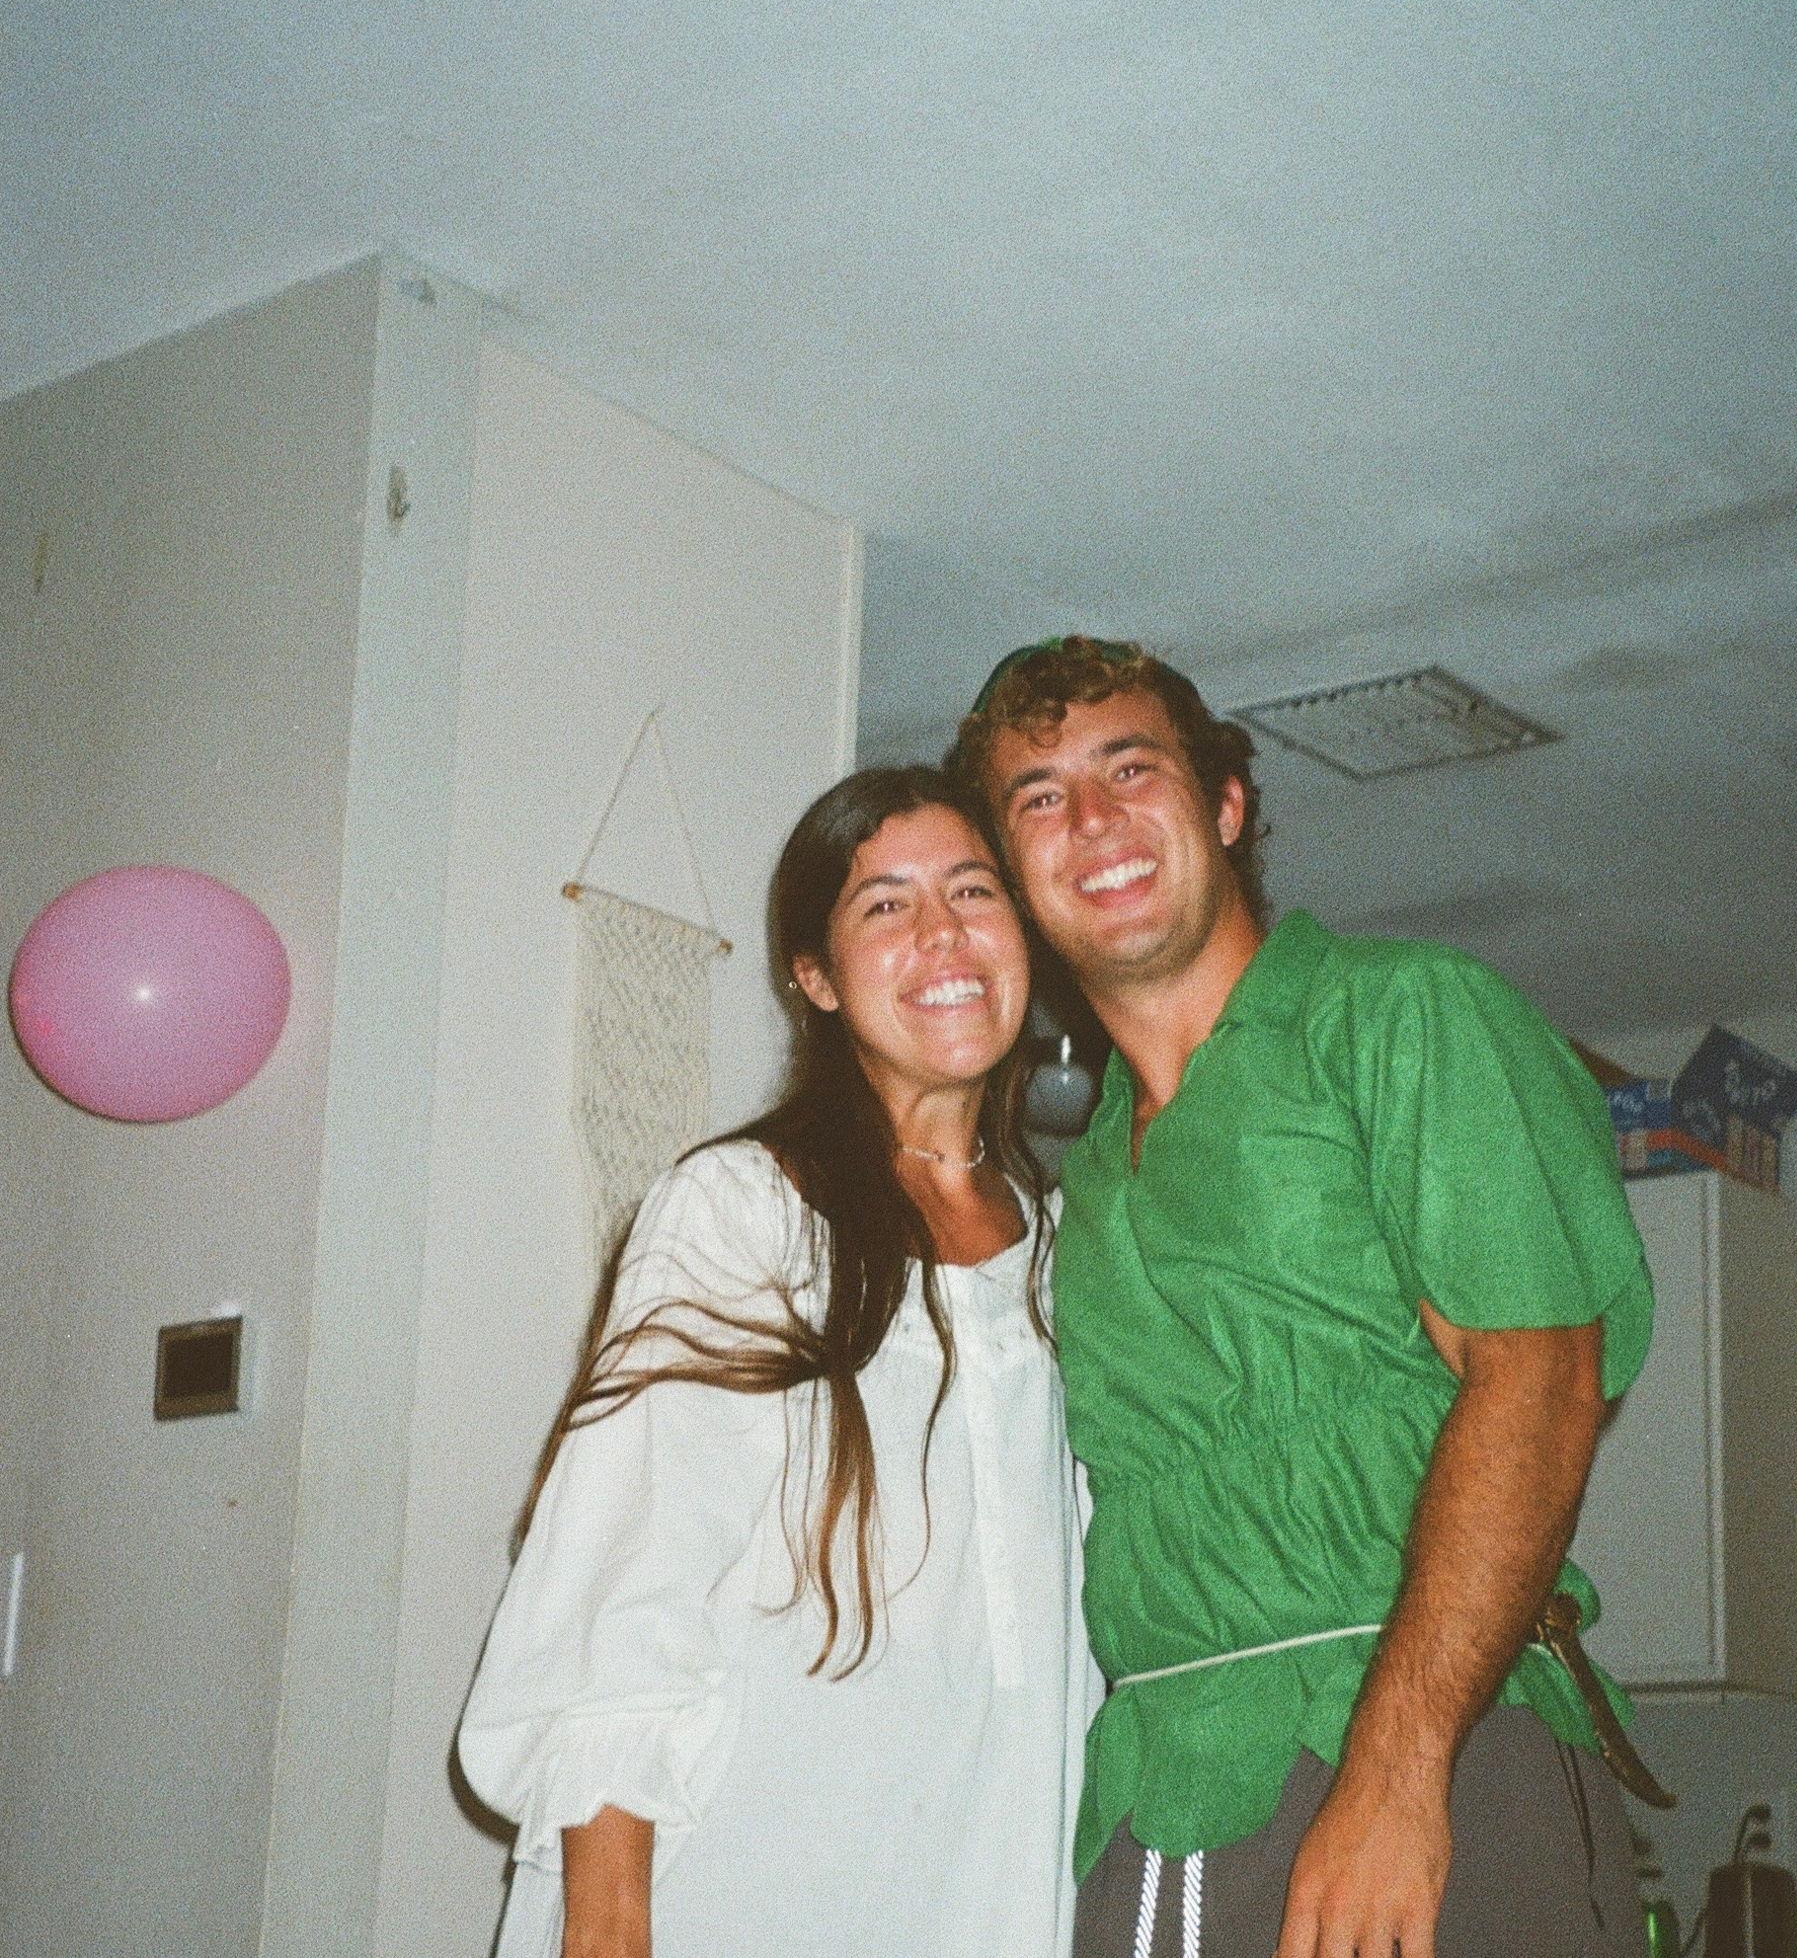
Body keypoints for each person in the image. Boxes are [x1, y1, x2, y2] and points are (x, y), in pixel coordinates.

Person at [947, 639, 1660, 1958]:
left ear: (1226, 805)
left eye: (1128, 768)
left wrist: (1396, 1771)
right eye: (1039, 797)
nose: (1090, 818)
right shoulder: (1082, 1178)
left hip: (1414, 1750)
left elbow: (1541, 1378)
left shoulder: (1402, 1016)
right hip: (1158, 1786)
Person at [458, 766, 1092, 1958]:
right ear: (816, 977)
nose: (943, 933)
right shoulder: (740, 1210)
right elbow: (623, 1582)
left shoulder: (1067, 1251)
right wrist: (608, 1920)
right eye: (885, 905)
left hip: (990, 1886)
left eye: (973, 891)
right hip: (739, 1878)